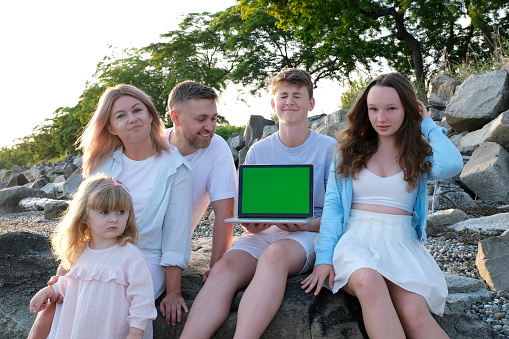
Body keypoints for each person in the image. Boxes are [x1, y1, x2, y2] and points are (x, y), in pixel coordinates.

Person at [301, 73, 463, 338]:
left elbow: (453, 164)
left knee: (414, 313)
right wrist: (324, 259)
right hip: (356, 242)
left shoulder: (417, 155)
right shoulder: (348, 152)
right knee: (370, 283)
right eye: (374, 109)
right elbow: (333, 209)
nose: (381, 118)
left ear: (407, 110)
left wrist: (427, 125)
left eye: (391, 109)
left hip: (401, 245)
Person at [180, 68, 336, 338]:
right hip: (266, 233)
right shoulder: (259, 150)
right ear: (273, 104)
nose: (290, 102)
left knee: (273, 257)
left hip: (309, 233)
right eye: (283, 96)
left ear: (311, 103)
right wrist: (252, 224)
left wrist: (305, 224)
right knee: (223, 270)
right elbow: (248, 218)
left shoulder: (329, 148)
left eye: (297, 96)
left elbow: (339, 215)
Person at [29, 84, 192, 338]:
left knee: (103, 298)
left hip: (144, 258)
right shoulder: (104, 164)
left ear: (151, 115)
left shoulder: (175, 168)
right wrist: (63, 271)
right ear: (111, 128)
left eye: (137, 110)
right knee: (53, 303)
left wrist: (173, 293)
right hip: (97, 251)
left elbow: (176, 234)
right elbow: (83, 220)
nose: (132, 119)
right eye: (121, 115)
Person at [29, 174, 157, 338]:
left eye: (121, 212)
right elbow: (74, 286)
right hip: (83, 330)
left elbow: (142, 302)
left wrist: (135, 334)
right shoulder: (80, 251)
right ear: (85, 218)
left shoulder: (131, 257)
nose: (114, 219)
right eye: (104, 212)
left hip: (114, 332)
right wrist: (48, 291)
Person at [166, 80, 237, 280]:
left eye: (213, 118)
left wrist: (216, 267)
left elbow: (225, 212)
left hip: (171, 253)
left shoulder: (217, 148)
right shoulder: (154, 144)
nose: (210, 127)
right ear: (176, 117)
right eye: (201, 119)